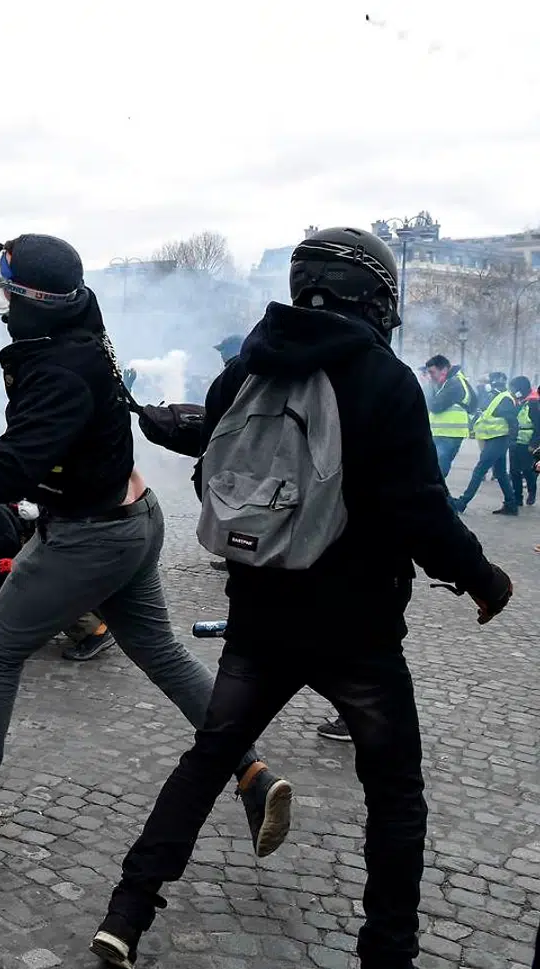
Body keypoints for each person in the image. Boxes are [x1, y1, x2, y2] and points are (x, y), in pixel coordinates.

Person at [91, 226, 514, 969]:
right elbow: (422, 510)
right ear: (375, 298)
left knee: (208, 760)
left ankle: (126, 912)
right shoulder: (385, 380)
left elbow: (213, 474)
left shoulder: (243, 370)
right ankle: (387, 951)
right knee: (395, 795)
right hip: (359, 630)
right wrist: (484, 579)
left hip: (261, 614)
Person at [0, 225, 292, 851]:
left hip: (88, 537)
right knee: (160, 652)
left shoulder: (56, 376)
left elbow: (8, 472)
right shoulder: (76, 303)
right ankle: (253, 772)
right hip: (137, 517)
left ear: (28, 304)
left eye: (5, 298)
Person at [451, 369, 519, 515]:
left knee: (480, 470)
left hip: (499, 440)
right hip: (496, 439)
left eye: (488, 383)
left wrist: (512, 440)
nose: (486, 386)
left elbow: (512, 420)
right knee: (500, 472)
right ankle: (511, 505)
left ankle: (462, 502)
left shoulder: (504, 398)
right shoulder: (497, 397)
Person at [422, 354, 475, 481]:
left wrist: (427, 386)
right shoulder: (451, 382)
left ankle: (440, 498)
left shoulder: (455, 383)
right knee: (435, 470)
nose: (430, 376)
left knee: (438, 472)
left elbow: (434, 406)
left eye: (432, 372)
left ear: (444, 370)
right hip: (444, 433)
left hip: (449, 434)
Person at [509, 375, 538, 506]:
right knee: (514, 471)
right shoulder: (517, 401)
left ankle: (532, 492)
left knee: (527, 470)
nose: (513, 391)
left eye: (515, 388)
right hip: (515, 441)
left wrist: (534, 443)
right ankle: (517, 497)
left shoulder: (534, 403)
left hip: (527, 443)